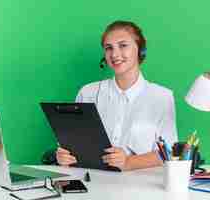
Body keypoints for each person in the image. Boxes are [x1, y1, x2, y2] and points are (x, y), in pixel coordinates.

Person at [55, 20, 178, 171]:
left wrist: (128, 162)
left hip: (140, 185)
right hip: (92, 181)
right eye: (108, 48)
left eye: (123, 45)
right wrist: (64, 155)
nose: (115, 54)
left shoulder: (161, 96)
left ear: (140, 50)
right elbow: (73, 143)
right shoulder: (88, 93)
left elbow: (168, 152)